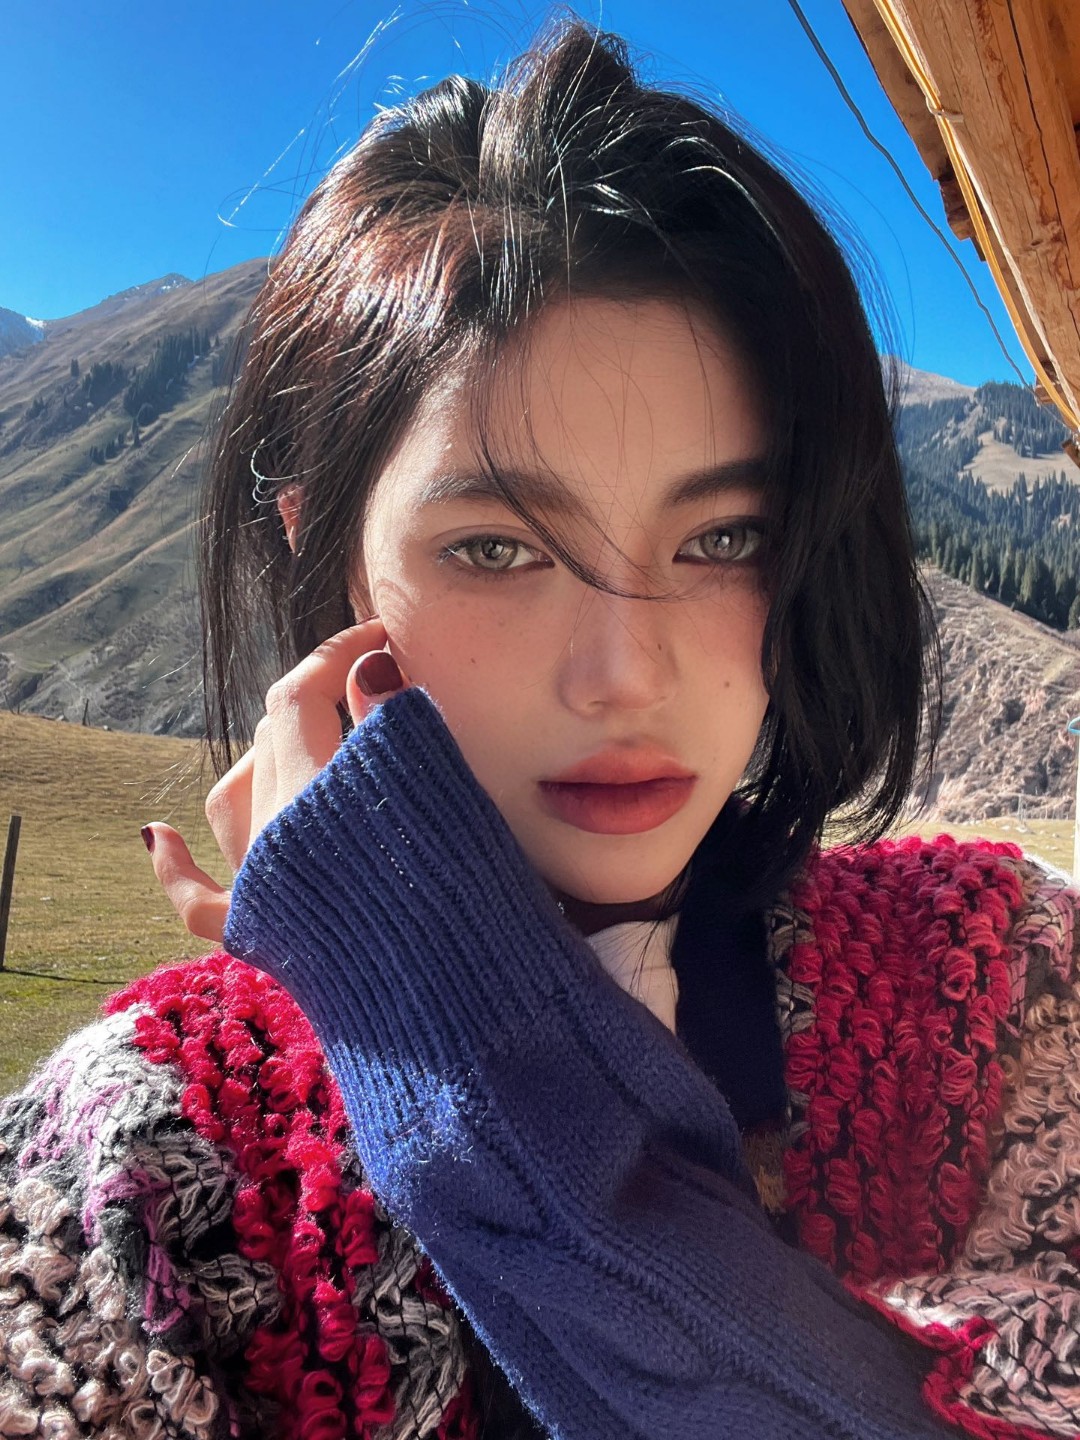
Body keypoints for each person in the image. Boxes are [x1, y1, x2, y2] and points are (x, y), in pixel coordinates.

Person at [2, 16, 1078, 1440]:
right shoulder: (143, 1158)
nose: (624, 676)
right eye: (498, 549)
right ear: (330, 552)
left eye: (725, 536)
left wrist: (469, 1059)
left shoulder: (1006, 989)